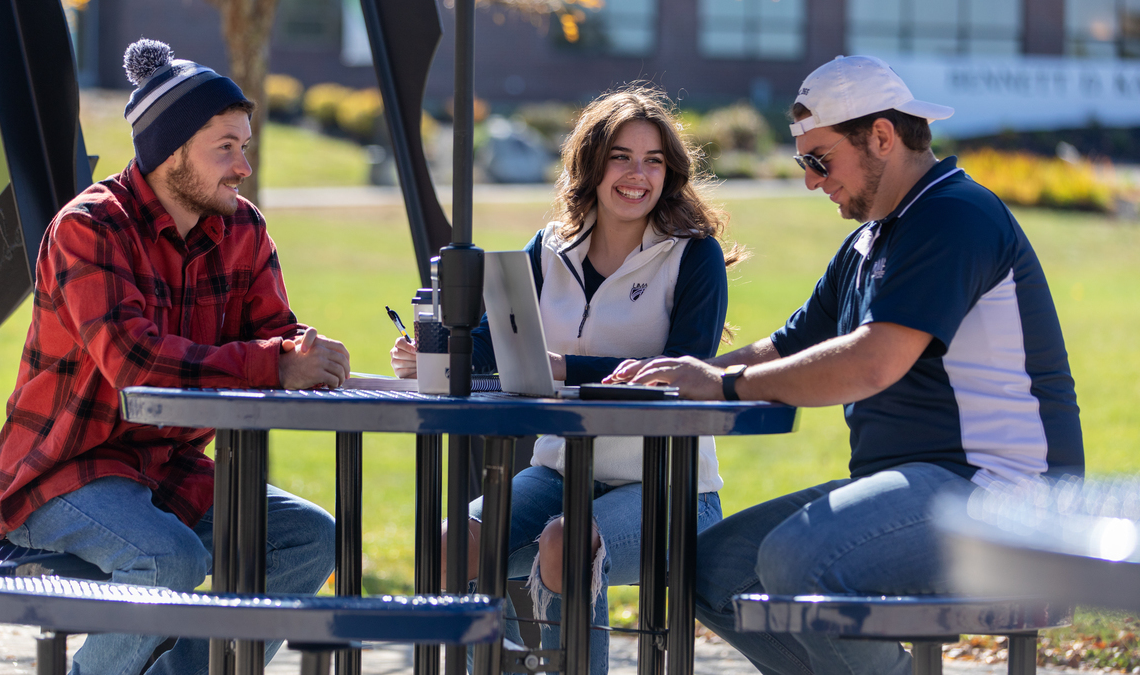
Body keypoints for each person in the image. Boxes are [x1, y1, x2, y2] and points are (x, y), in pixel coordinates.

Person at [609, 55, 1084, 675]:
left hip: (1006, 496)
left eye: (819, 159)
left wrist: (724, 383)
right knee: (713, 569)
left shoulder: (955, 215)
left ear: (882, 136)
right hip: (924, 487)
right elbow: (785, 346)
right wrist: (681, 375)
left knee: (803, 560)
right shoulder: (868, 239)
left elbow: (872, 362)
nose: (810, 179)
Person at [0, 40, 348, 675]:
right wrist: (272, 361)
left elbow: (275, 335)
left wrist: (306, 352)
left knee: (311, 535)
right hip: (64, 473)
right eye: (226, 148)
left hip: (169, 470)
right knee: (169, 560)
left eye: (246, 145)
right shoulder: (90, 227)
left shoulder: (244, 229)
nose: (243, 166)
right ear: (170, 152)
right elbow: (135, 364)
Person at [390, 83, 743, 672]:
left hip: (669, 486)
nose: (638, 175)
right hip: (556, 472)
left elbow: (683, 369)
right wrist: (432, 354)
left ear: (670, 173)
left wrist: (565, 369)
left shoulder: (693, 255)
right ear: (591, 165)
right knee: (457, 540)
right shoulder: (549, 248)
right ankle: (509, 664)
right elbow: (490, 343)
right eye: (621, 157)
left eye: (653, 160)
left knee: (565, 540)